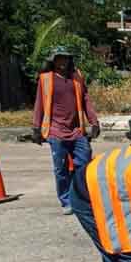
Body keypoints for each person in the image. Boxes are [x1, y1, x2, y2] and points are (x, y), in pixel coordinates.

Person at [31, 46, 101, 215]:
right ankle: (66, 201)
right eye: (59, 58)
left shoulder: (77, 78)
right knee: (61, 168)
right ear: (53, 61)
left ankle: (82, 198)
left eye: (65, 58)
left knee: (83, 165)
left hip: (77, 130)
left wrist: (94, 122)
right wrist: (36, 128)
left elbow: (86, 101)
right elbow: (39, 104)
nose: (62, 62)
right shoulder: (45, 79)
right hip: (55, 131)